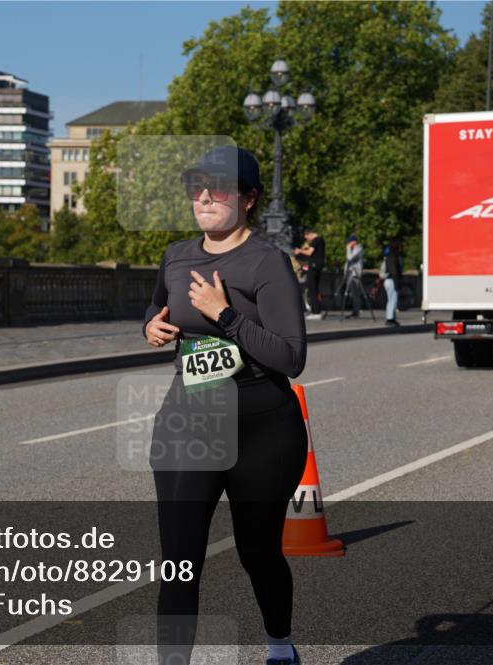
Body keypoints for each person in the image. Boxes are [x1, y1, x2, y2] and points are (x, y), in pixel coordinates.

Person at [143, 144, 308, 665]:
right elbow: (157, 303)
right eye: (197, 187)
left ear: (250, 198)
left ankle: (280, 647)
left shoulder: (267, 263)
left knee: (257, 553)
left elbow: (292, 356)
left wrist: (226, 316)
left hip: (261, 429)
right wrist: (151, 325)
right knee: (179, 561)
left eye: (220, 188)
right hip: (188, 420)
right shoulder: (177, 255)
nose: (205, 196)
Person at [294, 228, 325, 320]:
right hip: (318, 266)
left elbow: (309, 252)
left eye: (307, 237)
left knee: (312, 288)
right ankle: (318, 310)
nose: (307, 239)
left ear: (310, 234)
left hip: (314, 266)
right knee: (315, 288)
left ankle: (316, 312)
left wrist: (299, 251)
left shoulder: (316, 240)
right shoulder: (321, 240)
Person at [378, 242, 403, 326]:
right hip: (392, 280)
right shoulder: (393, 257)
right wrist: (397, 284)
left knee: (391, 300)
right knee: (393, 300)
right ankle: (390, 319)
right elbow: (394, 272)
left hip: (387, 281)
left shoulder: (387, 257)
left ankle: (392, 318)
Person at [343, 234, 364, 318]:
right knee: (352, 294)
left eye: (350, 242)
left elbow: (350, 258)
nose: (349, 244)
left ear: (354, 242)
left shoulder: (358, 248)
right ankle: (354, 311)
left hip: (355, 274)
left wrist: (348, 248)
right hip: (350, 273)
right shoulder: (353, 249)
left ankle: (356, 312)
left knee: (355, 293)